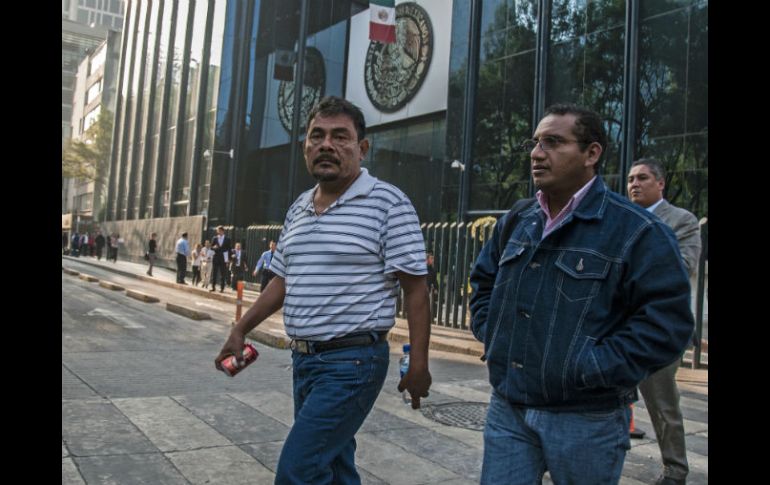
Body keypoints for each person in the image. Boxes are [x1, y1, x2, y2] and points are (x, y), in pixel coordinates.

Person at [469, 103, 694, 485]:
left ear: (592, 154)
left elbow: (667, 325)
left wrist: (591, 368)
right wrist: (495, 335)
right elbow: (484, 281)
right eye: (535, 142)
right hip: (509, 407)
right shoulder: (518, 219)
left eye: (554, 142)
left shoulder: (638, 231)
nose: (537, 153)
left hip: (586, 417)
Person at [215, 96, 432, 485]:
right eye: (317, 135)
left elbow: (416, 290)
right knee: (333, 467)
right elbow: (282, 280)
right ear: (305, 146)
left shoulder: (389, 203)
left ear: (362, 148)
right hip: (304, 361)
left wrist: (418, 364)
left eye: (340, 136)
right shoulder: (298, 208)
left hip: (353, 363)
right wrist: (240, 328)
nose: (326, 145)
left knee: (297, 470)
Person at [628, 158, 701, 485]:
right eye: (631, 179)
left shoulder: (682, 221)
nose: (634, 184)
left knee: (662, 405)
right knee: (604, 397)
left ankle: (675, 470)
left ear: (660, 183)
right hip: (619, 325)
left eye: (642, 178)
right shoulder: (621, 217)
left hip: (659, 329)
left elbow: (683, 267)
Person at [210, 225, 232, 293]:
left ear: (222, 231)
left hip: (224, 258)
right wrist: (213, 247)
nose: (218, 232)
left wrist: (229, 259)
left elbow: (229, 249)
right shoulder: (214, 238)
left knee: (223, 274)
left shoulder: (227, 239)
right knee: (214, 273)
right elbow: (211, 247)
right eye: (217, 231)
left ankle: (222, 288)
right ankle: (213, 287)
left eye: (219, 231)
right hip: (216, 257)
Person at [425, 250, 438, 321]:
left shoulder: (432, 270)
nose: (432, 260)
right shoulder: (422, 268)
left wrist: (436, 288)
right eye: (431, 258)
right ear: (427, 259)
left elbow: (434, 280)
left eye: (433, 258)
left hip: (428, 290)